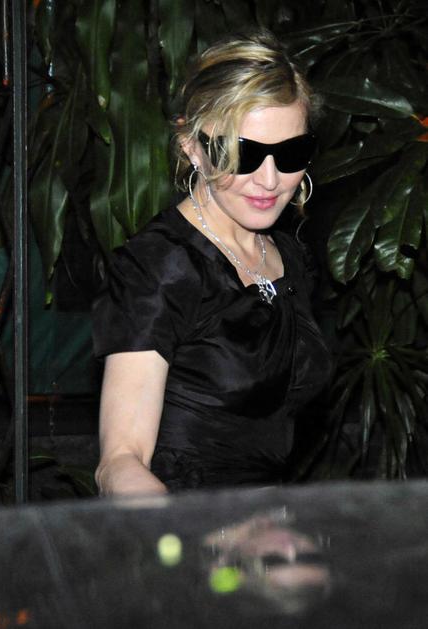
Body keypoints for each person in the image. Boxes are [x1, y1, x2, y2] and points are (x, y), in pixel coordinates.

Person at [92, 30, 331, 496]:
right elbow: (120, 462)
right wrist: (180, 532)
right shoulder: (157, 268)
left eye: (291, 154)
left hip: (271, 525)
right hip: (186, 524)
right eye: (241, 153)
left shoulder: (289, 255)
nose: (269, 180)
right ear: (192, 147)